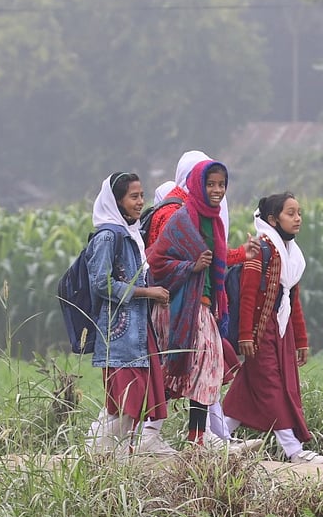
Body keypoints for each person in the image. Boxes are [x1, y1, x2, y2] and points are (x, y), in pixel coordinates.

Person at [141, 150, 255, 450]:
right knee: (192, 366)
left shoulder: (211, 220)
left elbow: (215, 258)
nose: (217, 190)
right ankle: (147, 432)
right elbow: (156, 261)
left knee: (205, 368)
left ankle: (197, 438)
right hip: (178, 306)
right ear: (196, 183)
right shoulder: (180, 217)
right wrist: (190, 267)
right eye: (210, 184)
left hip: (202, 304)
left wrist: (242, 253)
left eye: (221, 184)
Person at [222, 192, 323, 464]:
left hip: (281, 330)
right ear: (272, 219)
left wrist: (301, 340)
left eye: (299, 213)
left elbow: (292, 300)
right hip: (261, 331)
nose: (298, 219)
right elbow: (248, 295)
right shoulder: (262, 249)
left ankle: (219, 436)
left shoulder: (292, 255)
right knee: (273, 386)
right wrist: (246, 335)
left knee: (249, 387)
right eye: (290, 213)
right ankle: (294, 451)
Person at [81, 172, 176, 456]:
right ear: (117, 201)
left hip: (137, 332)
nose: (140, 202)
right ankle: (98, 451)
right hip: (120, 334)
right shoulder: (109, 236)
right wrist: (148, 292)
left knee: (136, 397)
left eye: (141, 196)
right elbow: (102, 283)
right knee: (127, 399)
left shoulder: (129, 234)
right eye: (133, 197)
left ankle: (111, 453)